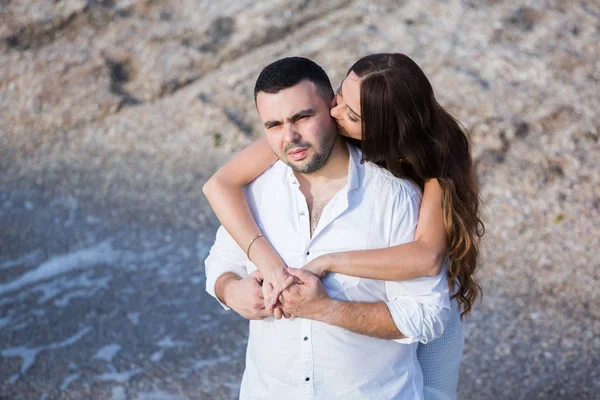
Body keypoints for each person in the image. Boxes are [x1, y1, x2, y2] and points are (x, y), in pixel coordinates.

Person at [203, 53, 484, 399]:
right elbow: (221, 246)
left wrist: (326, 295)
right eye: (273, 125)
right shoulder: (260, 183)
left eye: (306, 116)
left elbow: (427, 279)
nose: (289, 136)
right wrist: (231, 291)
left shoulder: (411, 189)